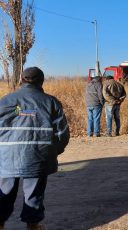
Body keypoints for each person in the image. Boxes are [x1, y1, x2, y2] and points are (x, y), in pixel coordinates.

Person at [0, 67, 69, 230]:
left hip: (7, 157)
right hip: (37, 156)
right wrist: (51, 151)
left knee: (4, 192)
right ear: (41, 81)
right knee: (34, 193)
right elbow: (63, 134)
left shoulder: (5, 101)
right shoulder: (51, 102)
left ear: (21, 81)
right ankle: (33, 225)